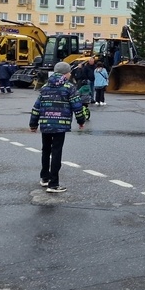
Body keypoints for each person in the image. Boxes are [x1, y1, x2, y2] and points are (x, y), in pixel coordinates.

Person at [29, 61, 86, 194]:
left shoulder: (45, 87)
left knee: (46, 150)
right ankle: (54, 184)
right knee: (56, 152)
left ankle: (44, 177)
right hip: (60, 124)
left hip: (45, 124)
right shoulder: (69, 87)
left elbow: (36, 107)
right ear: (65, 74)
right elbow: (77, 106)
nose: (70, 74)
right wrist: (81, 120)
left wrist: (33, 124)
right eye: (69, 72)